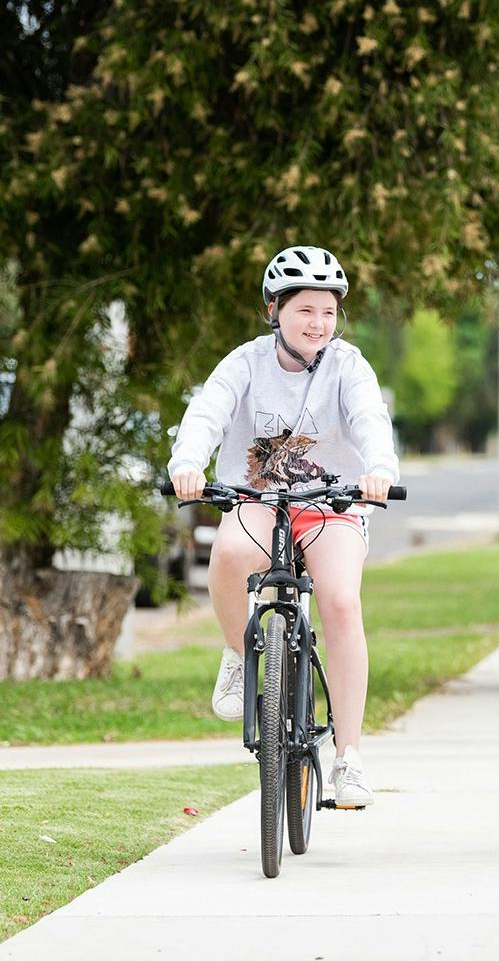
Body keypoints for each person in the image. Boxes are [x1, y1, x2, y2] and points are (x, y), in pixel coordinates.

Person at [169, 246, 397, 808]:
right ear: (274, 310)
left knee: (340, 600)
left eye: (328, 311)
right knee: (228, 555)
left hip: (330, 502)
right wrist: (187, 463)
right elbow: (207, 413)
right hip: (258, 498)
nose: (318, 323)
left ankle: (349, 758)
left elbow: (370, 419)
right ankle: (236, 653)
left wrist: (379, 471)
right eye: (305, 310)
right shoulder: (244, 363)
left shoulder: (348, 366)